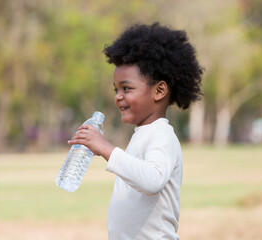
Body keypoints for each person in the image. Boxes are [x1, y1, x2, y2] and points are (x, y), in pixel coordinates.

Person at [68, 22, 203, 240]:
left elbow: (152, 181)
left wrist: (106, 149)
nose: (118, 96)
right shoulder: (142, 134)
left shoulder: (162, 136)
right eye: (116, 90)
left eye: (126, 88)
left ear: (159, 90)